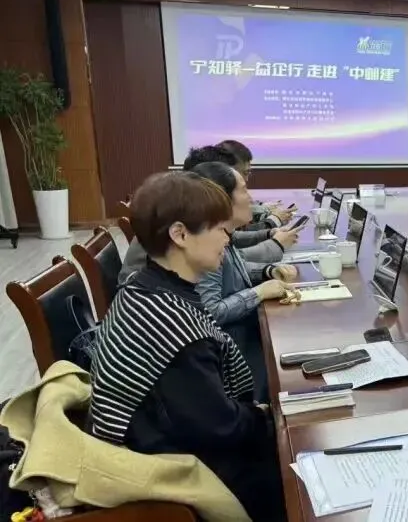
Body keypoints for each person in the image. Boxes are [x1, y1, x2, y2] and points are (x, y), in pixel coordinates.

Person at [89, 171, 286, 521]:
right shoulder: (173, 329)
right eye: (220, 229)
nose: (228, 238)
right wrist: (269, 416)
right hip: (169, 472)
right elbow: (220, 428)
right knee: (296, 462)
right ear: (180, 234)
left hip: (155, 438)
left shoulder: (143, 287)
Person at [190, 161, 299, 400]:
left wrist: (268, 271)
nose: (251, 198)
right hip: (235, 354)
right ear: (220, 198)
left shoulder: (221, 234)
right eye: (243, 190)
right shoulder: (206, 244)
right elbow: (210, 312)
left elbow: (234, 268)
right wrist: (258, 293)